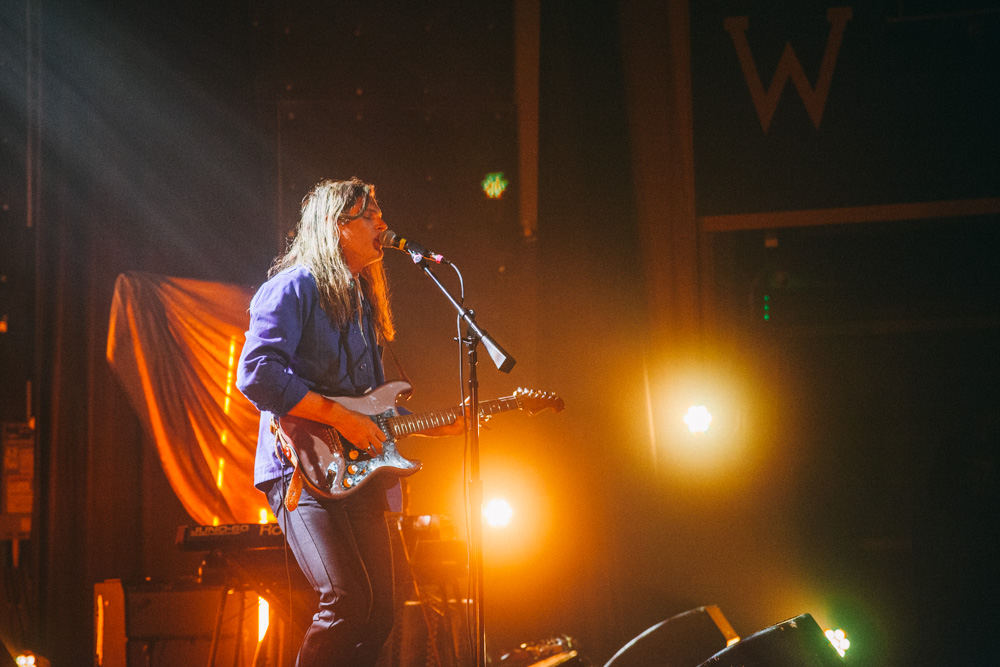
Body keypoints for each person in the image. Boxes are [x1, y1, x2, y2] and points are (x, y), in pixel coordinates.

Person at [236, 178, 463, 666]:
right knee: (344, 602)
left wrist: (432, 424)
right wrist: (336, 416)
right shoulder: (294, 287)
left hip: (357, 471)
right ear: (337, 227)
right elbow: (256, 374)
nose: (383, 223)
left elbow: (369, 410)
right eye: (370, 215)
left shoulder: (361, 303)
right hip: (301, 469)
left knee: (380, 612)